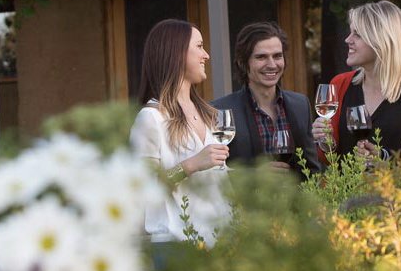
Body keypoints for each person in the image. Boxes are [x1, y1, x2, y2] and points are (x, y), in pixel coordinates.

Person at [130, 19, 232, 248]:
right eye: (199, 46)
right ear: (176, 54)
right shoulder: (151, 118)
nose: (206, 55)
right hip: (177, 245)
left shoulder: (208, 114)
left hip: (221, 241)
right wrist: (192, 164)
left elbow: (217, 180)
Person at [312, 0, 401, 160]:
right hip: (349, 185)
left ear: (381, 40)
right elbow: (330, 157)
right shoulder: (340, 84)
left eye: (357, 34)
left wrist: (385, 161)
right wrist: (324, 140)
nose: (348, 40)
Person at [211, 21, 322, 175]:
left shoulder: (300, 104)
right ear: (243, 62)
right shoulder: (220, 110)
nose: (272, 64)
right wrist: (256, 176)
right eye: (261, 57)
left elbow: (312, 169)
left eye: (277, 56)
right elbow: (214, 173)